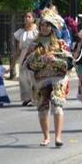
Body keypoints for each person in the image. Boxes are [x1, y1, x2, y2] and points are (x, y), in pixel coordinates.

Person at [25, 9, 72, 147]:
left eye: (48, 25)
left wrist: (55, 60)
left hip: (58, 77)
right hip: (40, 79)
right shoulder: (34, 45)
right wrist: (42, 61)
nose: (45, 28)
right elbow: (28, 65)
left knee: (57, 105)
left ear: (52, 27)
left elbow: (69, 64)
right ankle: (46, 137)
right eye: (43, 25)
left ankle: (58, 137)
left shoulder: (61, 43)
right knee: (42, 107)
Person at [15, 12, 38, 106]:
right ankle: (26, 98)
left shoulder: (37, 31)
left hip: (34, 55)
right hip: (23, 56)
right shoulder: (21, 32)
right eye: (25, 16)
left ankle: (35, 98)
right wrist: (15, 60)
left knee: (33, 78)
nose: (27, 18)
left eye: (29, 16)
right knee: (23, 78)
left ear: (33, 19)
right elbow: (18, 48)